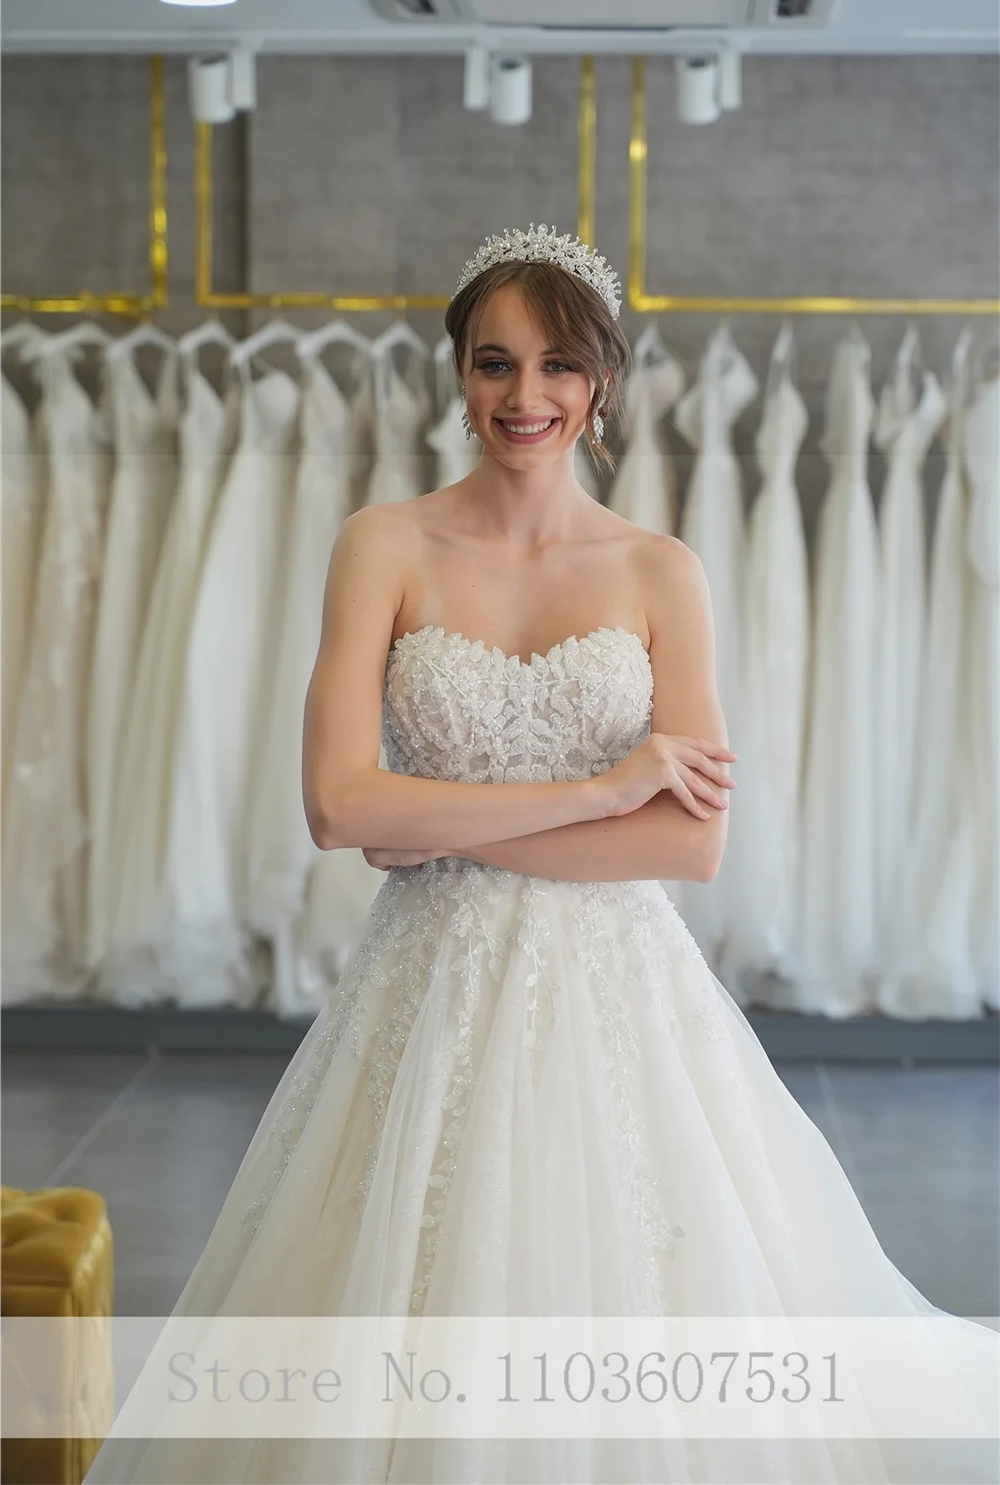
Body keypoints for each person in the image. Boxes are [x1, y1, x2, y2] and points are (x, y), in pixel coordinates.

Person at [83, 226, 998, 1483]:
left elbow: (693, 840)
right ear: (457, 373)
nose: (526, 398)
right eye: (494, 363)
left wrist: (444, 822)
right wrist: (597, 790)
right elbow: (341, 808)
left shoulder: (659, 572)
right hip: (425, 994)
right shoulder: (383, 545)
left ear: (602, 381)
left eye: (558, 366)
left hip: (618, 993)